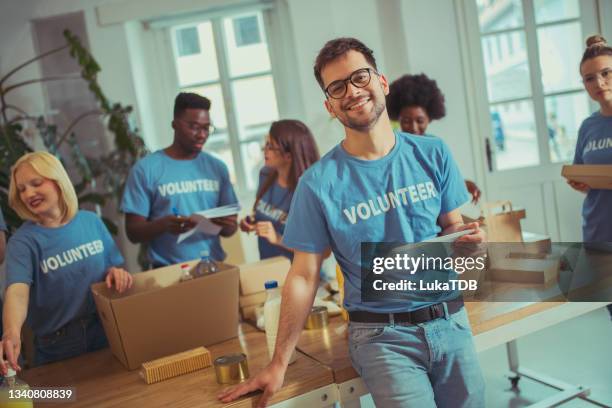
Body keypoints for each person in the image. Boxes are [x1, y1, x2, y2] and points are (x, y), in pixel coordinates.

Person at [219, 38, 485, 407]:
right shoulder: (317, 184)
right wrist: (278, 362)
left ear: (382, 82)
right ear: (330, 105)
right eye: (338, 87)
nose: (353, 91)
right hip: (382, 335)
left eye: (360, 77)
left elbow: (452, 229)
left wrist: (468, 239)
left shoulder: (433, 152)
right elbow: (304, 275)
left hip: (450, 319)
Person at [1, 152, 132, 372]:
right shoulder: (22, 242)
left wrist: (116, 273)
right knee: (64, 400)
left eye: (36, 183)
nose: (28, 194)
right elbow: (17, 292)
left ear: (58, 180)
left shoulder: (91, 222)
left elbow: (112, 266)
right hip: (58, 347)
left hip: (106, 331)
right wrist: (11, 332)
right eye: (22, 189)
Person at [122, 92, 239, 267]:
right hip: (168, 272)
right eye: (194, 127)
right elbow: (132, 232)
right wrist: (164, 224)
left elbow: (230, 230)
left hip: (214, 266)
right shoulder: (146, 170)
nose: (202, 135)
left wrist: (226, 223)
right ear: (175, 124)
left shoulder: (217, 168)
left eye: (206, 128)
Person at [567, 35, 612, 318]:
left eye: (606, 73)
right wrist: (580, 182)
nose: (599, 83)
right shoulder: (588, 126)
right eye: (589, 79)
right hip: (599, 233)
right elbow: (581, 171)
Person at [387, 73, 482, 204]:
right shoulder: (391, 148)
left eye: (420, 120)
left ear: (429, 118)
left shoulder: (435, 147)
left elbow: (442, 182)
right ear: (398, 120)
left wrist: (464, 184)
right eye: (406, 121)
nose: (413, 127)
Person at [239, 120, 320, 261]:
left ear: (288, 156)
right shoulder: (265, 174)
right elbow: (267, 213)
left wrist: (278, 238)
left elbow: (319, 251)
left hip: (300, 275)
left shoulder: (308, 192)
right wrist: (251, 222)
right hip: (270, 270)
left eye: (271, 146)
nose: (264, 150)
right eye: (265, 144)